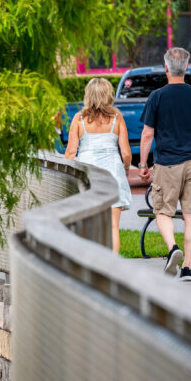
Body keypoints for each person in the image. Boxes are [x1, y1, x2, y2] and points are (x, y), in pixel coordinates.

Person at [138, 47, 191, 281]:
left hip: (167, 164)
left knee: (162, 212)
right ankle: (187, 267)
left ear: (166, 68)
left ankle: (172, 248)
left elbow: (148, 134)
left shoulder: (157, 96)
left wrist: (143, 164)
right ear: (186, 68)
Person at [64, 78, 133, 253]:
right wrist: (125, 169)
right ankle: (112, 266)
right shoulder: (117, 118)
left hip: (88, 174)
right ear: (107, 95)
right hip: (113, 174)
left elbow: (71, 153)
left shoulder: (79, 119)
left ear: (89, 95)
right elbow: (126, 153)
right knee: (113, 226)